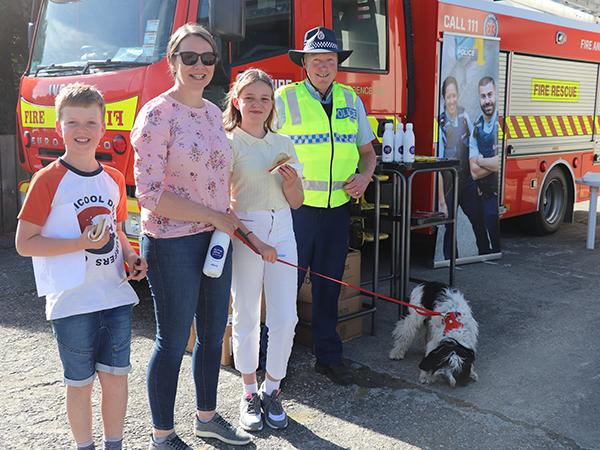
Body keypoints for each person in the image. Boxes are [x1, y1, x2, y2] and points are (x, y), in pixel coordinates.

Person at [131, 23, 250, 449]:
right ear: (172, 62)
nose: (200, 66)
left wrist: (227, 215)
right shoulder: (156, 115)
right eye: (190, 57)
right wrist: (211, 215)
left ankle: (207, 417)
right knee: (173, 339)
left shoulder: (214, 114)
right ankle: (162, 435)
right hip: (172, 242)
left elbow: (216, 179)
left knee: (214, 331)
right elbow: (149, 194)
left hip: (214, 240)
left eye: (207, 58)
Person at [15, 83, 147, 450]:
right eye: (73, 122)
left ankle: (114, 445)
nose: (82, 130)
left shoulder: (114, 179)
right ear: (59, 127)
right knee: (79, 383)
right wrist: (79, 244)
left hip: (115, 296)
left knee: (117, 379)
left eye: (91, 122)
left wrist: (131, 258)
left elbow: (118, 231)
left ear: (103, 128)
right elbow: (24, 244)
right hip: (72, 301)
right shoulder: (48, 180)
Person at [275, 26, 377, 386]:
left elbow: (368, 153)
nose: (322, 67)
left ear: (338, 64)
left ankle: (328, 357)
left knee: (329, 286)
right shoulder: (283, 99)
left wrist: (364, 179)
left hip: (337, 212)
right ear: (304, 63)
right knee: (285, 287)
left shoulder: (351, 100)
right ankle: (275, 364)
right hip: (296, 211)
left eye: (329, 60)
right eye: (315, 60)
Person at [224, 68, 304, 431]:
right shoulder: (228, 142)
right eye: (250, 97)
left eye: (265, 98)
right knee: (245, 314)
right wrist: (255, 241)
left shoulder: (284, 143)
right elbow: (222, 203)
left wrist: (291, 184)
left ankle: (273, 389)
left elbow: (299, 202)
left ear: (272, 104)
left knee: (286, 316)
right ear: (237, 101)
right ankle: (248, 391)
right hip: (247, 230)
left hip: (283, 227)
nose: (257, 104)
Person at [438, 76, 489, 258]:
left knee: (478, 220)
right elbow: (437, 168)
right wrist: (442, 201)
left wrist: (478, 182)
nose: (451, 100)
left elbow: (473, 151)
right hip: (450, 182)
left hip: (467, 180)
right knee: (450, 226)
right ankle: (451, 263)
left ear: (457, 96)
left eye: (454, 96)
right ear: (444, 98)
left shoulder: (465, 116)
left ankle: (485, 253)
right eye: (448, 96)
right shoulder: (441, 124)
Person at [469, 76, 501, 254]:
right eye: (483, 96)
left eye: (490, 94)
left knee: (494, 231)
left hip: (494, 194)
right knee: (480, 228)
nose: (487, 100)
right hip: (483, 194)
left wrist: (481, 160)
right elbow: (473, 172)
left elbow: (499, 164)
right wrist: (492, 162)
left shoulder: (501, 123)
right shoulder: (477, 126)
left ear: (496, 94)